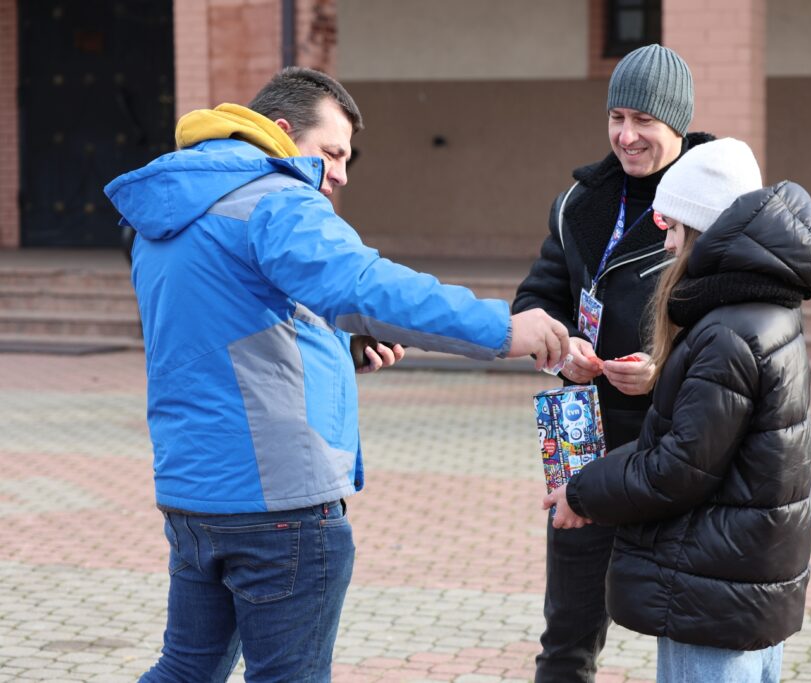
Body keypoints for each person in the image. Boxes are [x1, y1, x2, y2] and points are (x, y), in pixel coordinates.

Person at [103, 66, 569, 682]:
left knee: (185, 671)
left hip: (194, 494)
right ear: (280, 130)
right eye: (332, 152)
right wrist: (506, 329)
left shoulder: (170, 209)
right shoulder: (275, 197)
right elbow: (366, 285)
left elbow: (227, 320)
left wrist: (338, 344)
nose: (341, 173)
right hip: (279, 505)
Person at [543, 137, 811, 682]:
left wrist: (582, 491)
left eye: (673, 229)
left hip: (713, 590)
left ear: (704, 231)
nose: (668, 245)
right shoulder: (763, 310)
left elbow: (679, 466)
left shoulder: (724, 332)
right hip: (743, 581)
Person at [512, 44, 714, 682]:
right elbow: (538, 296)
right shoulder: (580, 201)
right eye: (616, 117)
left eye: (645, 122)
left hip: (672, 443)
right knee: (568, 634)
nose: (627, 136)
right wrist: (558, 346)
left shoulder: (712, 202)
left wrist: (664, 369)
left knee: (691, 626)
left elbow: (731, 329)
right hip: (581, 434)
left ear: (677, 124)